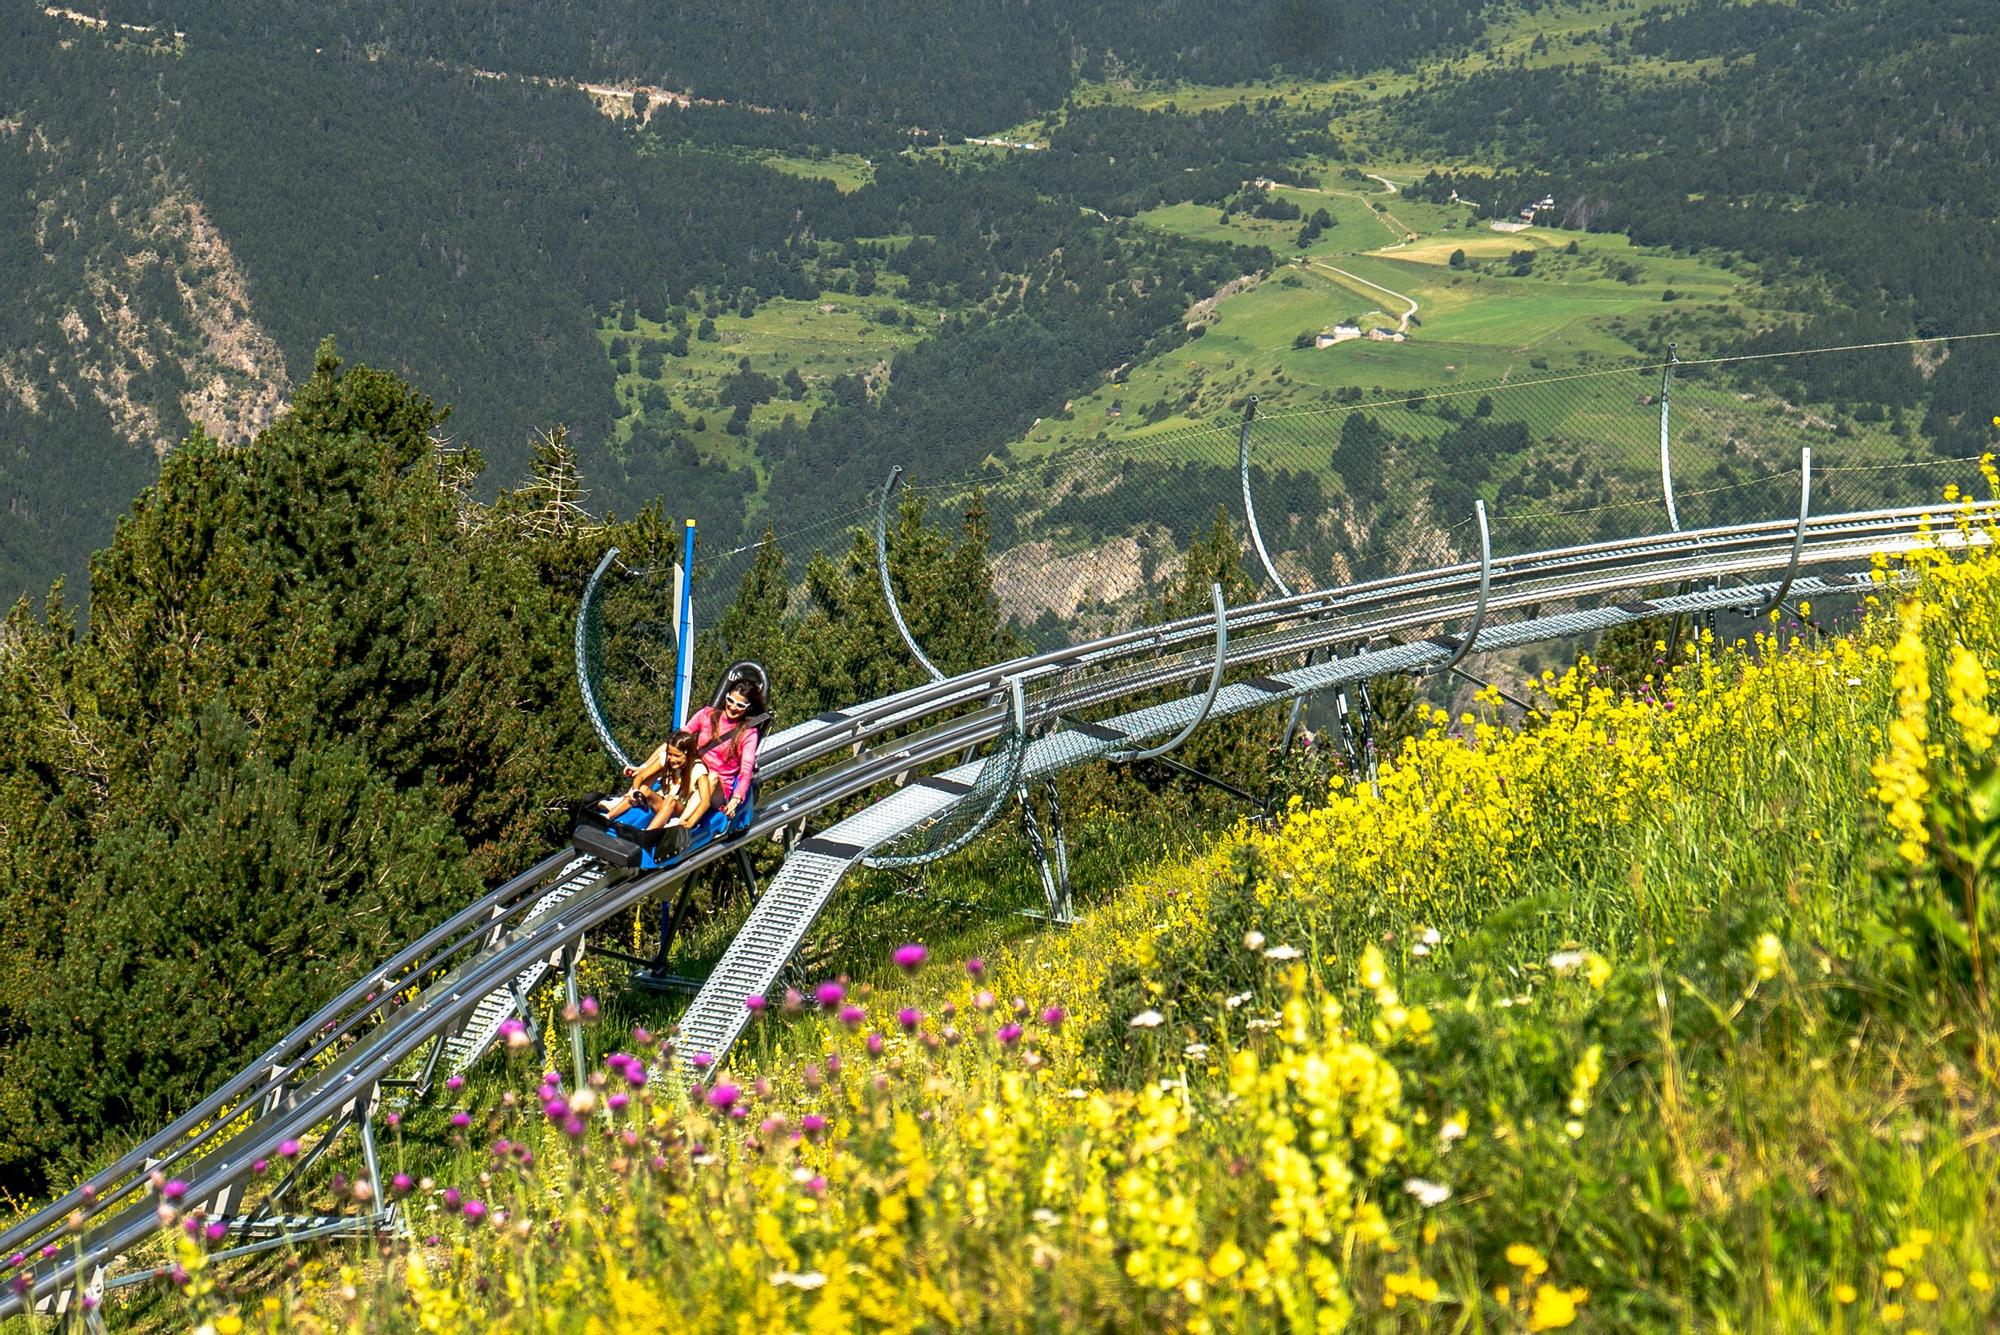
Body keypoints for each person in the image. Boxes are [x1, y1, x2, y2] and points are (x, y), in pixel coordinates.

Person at [597, 730, 716, 842]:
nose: (672, 759)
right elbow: (641, 776)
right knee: (644, 789)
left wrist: (690, 822)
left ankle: (647, 834)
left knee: (670, 801)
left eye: (677, 756)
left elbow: (705, 801)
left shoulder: (697, 769)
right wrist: (635, 789)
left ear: (687, 754)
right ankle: (608, 817)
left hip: (678, 807)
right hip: (663, 800)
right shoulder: (665, 759)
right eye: (670, 754)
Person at [682, 673, 765, 824]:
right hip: (696, 771)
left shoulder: (748, 734)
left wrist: (735, 799)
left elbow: (746, 771)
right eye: (731, 700)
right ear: (726, 697)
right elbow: (682, 736)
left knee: (711, 778)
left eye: (740, 705)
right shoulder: (707, 714)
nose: (733, 707)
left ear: (748, 708)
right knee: (667, 755)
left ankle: (681, 822)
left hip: (717, 786)